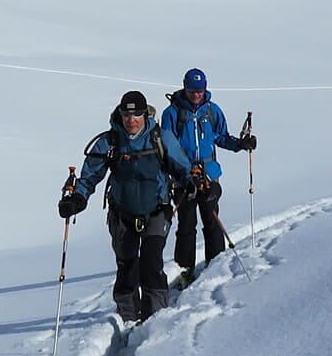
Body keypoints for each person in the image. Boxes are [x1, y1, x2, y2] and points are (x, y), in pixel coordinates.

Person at [58, 90, 193, 323]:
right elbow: (90, 176)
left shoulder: (160, 137)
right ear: (120, 115)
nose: (131, 120)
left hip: (157, 210)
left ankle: (156, 318)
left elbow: (182, 168)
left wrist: (188, 183)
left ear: (145, 115)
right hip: (122, 213)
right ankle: (128, 318)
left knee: (151, 264)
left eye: (136, 115)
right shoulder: (110, 142)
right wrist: (77, 199)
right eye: (126, 115)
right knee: (126, 264)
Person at [161, 67, 256, 278]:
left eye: (200, 90)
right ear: (185, 88)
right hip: (183, 177)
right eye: (192, 90)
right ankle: (185, 270)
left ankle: (215, 265)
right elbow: (169, 145)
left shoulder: (212, 111)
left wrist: (240, 144)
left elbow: (221, 137)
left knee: (211, 219)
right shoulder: (172, 113)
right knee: (186, 224)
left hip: (209, 175)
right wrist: (187, 173)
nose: (196, 94)